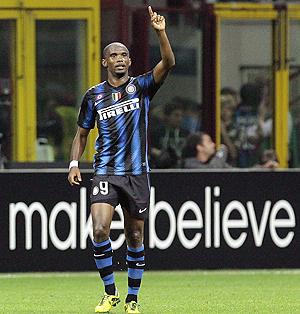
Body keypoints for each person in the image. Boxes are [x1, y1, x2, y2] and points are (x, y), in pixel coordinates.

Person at [68, 6, 175, 314]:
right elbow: (82, 134)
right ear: (105, 61)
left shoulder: (141, 87)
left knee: (135, 235)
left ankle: (132, 299)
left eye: (124, 55)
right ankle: (109, 292)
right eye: (113, 55)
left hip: (137, 173)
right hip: (105, 171)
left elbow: (169, 62)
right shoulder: (94, 96)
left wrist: (160, 32)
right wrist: (74, 163)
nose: (119, 59)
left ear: (129, 61)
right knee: (99, 229)